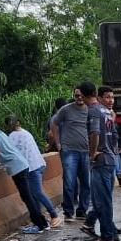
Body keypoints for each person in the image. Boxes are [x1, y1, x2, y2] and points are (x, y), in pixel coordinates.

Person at [0, 119, 50, 234]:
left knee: (27, 198)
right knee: (28, 196)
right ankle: (43, 223)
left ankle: (40, 225)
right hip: (23, 165)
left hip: (17, 168)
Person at [5, 114, 62, 228]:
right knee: (34, 194)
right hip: (39, 164)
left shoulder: (12, 136)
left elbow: (8, 152)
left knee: (37, 192)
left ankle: (54, 215)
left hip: (31, 167)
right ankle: (40, 219)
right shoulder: (26, 132)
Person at [84, 82, 119, 241]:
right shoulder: (107, 112)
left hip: (102, 161)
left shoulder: (94, 111)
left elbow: (95, 133)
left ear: (83, 96)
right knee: (102, 200)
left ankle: (107, 238)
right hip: (110, 159)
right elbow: (113, 137)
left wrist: (92, 154)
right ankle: (111, 233)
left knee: (102, 201)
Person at [51, 86, 91, 221]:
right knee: (69, 182)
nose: (79, 98)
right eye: (76, 95)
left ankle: (82, 210)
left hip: (86, 151)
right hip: (69, 151)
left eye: (81, 95)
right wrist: (58, 142)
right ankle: (68, 211)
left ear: (85, 96)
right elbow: (54, 123)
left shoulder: (90, 110)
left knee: (86, 182)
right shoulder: (66, 109)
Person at [97, 86, 121, 186]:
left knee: (109, 185)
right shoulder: (98, 113)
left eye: (112, 97)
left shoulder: (109, 112)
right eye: (108, 97)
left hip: (110, 155)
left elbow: (112, 133)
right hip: (102, 156)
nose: (111, 100)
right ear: (99, 98)